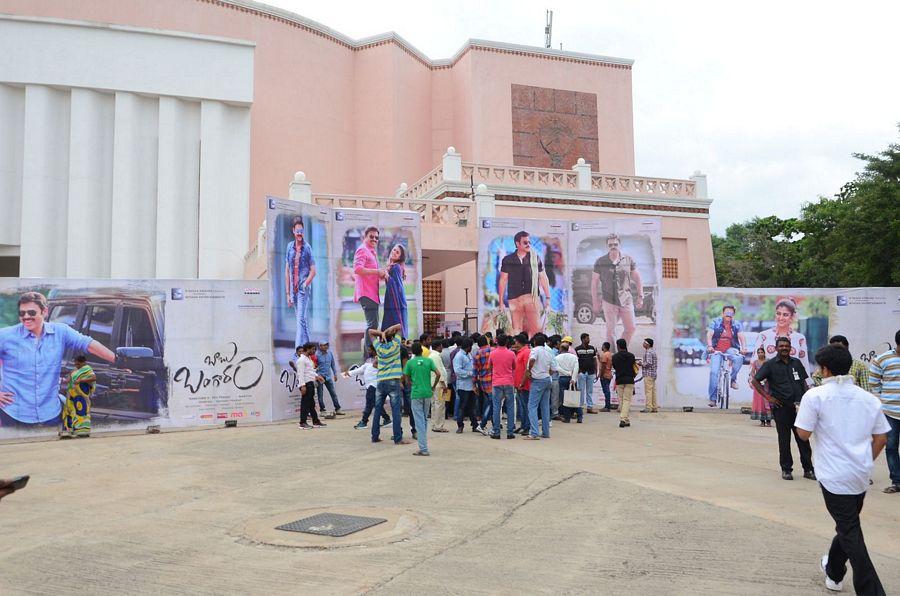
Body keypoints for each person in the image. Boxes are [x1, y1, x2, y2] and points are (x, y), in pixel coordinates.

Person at [794, 344, 890, 595]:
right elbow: (881, 438)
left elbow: (803, 434)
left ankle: (871, 590)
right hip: (860, 475)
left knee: (850, 530)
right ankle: (834, 571)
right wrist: (865, 461)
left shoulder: (814, 396)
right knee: (848, 525)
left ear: (824, 369)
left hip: (833, 477)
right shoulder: (868, 399)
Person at [0, 292, 116, 428]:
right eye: (22, 313)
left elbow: (87, 343)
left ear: (45, 312)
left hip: (50, 415)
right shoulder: (5, 336)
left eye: (31, 312)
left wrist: (118, 360)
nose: (26, 317)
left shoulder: (61, 332)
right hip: (14, 415)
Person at [751, 336, 814, 481]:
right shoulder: (770, 364)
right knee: (784, 440)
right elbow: (755, 381)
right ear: (776, 348)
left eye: (787, 346)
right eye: (781, 346)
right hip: (781, 408)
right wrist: (768, 397)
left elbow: (804, 382)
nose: (784, 348)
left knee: (803, 440)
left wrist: (806, 399)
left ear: (791, 347)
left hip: (799, 408)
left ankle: (808, 469)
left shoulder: (797, 363)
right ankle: (786, 470)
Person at [591, 233, 643, 346]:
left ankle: (621, 351)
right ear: (607, 246)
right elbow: (594, 283)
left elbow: (637, 279)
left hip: (626, 299)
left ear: (619, 244)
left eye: (615, 244)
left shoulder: (628, 260)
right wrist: (595, 301)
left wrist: (640, 296)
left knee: (631, 328)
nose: (613, 246)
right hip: (609, 300)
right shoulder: (600, 261)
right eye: (610, 245)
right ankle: (613, 358)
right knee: (611, 331)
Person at [497, 231, 551, 336]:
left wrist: (548, 299)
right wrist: (500, 302)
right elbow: (503, 280)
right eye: (525, 242)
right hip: (514, 299)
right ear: (517, 244)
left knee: (535, 328)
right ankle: (520, 350)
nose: (528, 245)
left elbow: (543, 277)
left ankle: (533, 350)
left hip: (531, 297)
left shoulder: (535, 258)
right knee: (517, 329)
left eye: (529, 242)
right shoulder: (508, 259)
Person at [869, 329, 900, 494]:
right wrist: (884, 399)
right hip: (891, 412)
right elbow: (874, 382)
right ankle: (897, 481)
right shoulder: (883, 359)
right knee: (891, 446)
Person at [370, 324, 409, 445]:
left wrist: (381, 334)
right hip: (394, 380)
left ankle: (375, 436)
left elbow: (370, 332)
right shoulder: (396, 345)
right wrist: (386, 332)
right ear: (394, 337)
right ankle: (398, 438)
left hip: (381, 381)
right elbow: (399, 326)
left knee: (377, 410)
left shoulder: (379, 348)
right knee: (396, 411)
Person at [284, 217, 317, 348]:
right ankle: (310, 351)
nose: (299, 233)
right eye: (297, 231)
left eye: (302, 231)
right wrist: (288, 293)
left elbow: (313, 271)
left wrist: (305, 284)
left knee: (299, 321)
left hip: (303, 289)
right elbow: (287, 270)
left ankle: (296, 353)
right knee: (302, 321)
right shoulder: (289, 247)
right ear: (293, 231)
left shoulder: (307, 248)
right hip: (293, 290)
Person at [754, 298, 811, 374]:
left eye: (785, 315)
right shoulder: (763, 336)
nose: (781, 318)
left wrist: (809, 384)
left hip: (792, 383)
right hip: (768, 383)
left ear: (792, 316)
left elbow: (804, 365)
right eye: (778, 313)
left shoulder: (800, 338)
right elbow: (754, 361)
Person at [704, 305, 746, 407]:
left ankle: (732, 379)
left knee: (739, 358)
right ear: (723, 314)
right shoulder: (715, 322)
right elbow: (709, 334)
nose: (728, 315)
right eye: (726, 313)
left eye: (731, 314)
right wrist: (710, 346)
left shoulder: (736, 324)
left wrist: (744, 348)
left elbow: (741, 336)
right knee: (714, 372)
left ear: (733, 315)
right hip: (715, 349)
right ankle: (713, 399)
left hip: (730, 349)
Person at [403, 342, 440, 456]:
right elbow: (438, 374)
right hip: (427, 392)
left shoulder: (410, 363)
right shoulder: (428, 361)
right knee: (423, 419)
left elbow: (406, 377)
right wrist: (433, 386)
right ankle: (423, 445)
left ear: (412, 352)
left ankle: (423, 448)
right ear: (421, 350)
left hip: (416, 393)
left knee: (419, 420)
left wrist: (410, 383)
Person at [354, 226, 385, 350]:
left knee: (374, 324)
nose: (374, 239)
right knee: (372, 325)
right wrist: (377, 272)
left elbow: (371, 273)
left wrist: (381, 274)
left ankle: (370, 352)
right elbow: (357, 269)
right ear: (365, 237)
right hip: (367, 293)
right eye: (371, 236)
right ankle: (369, 354)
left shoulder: (371, 251)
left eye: (376, 237)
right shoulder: (362, 250)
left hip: (372, 293)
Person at [347, 347, 390, 430]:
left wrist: (378, 361)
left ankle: (364, 422)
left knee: (369, 405)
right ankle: (387, 419)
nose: (368, 351)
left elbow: (379, 367)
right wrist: (348, 373)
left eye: (370, 350)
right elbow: (361, 369)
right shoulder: (369, 360)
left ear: (374, 350)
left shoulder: (380, 359)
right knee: (375, 404)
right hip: (370, 386)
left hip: (374, 386)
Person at [525, 333, 555, 440]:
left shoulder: (535, 350)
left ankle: (534, 432)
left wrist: (529, 370)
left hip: (538, 380)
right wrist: (546, 373)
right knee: (545, 407)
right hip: (547, 379)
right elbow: (553, 368)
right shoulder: (548, 352)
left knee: (532, 406)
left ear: (534, 342)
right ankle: (546, 432)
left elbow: (532, 359)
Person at [489, 335, 517, 439]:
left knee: (496, 407)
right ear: (506, 342)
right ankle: (510, 432)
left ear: (497, 342)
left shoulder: (492, 353)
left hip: (497, 382)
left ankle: (496, 432)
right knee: (510, 407)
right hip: (509, 382)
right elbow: (514, 366)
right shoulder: (511, 353)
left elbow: (490, 366)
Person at [61, 354, 95, 438]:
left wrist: (81, 380)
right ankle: (68, 430)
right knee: (68, 411)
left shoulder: (87, 369)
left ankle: (83, 431)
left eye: (78, 363)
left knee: (81, 411)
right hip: (71, 393)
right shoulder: (75, 370)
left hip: (81, 394)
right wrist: (66, 379)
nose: (76, 365)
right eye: (75, 363)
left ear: (83, 362)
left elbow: (93, 378)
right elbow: (69, 379)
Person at [381, 244, 409, 339]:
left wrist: (387, 276)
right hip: (392, 299)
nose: (394, 252)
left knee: (393, 326)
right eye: (394, 250)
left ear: (400, 257)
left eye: (397, 252)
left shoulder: (396, 267)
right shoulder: (393, 266)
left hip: (396, 301)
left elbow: (396, 287)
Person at [453, 338, 480, 434]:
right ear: (468, 347)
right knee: (463, 406)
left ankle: (475, 425)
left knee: (472, 406)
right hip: (463, 385)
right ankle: (460, 425)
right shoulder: (459, 356)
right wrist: (469, 373)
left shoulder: (469, 355)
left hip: (471, 385)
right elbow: (457, 371)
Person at [296, 343, 325, 429]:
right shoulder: (301, 360)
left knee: (311, 404)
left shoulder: (308, 359)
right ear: (307, 349)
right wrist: (302, 386)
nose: (314, 351)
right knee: (305, 404)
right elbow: (300, 374)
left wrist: (317, 376)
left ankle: (315, 421)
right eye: (313, 349)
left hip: (310, 383)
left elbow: (310, 371)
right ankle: (302, 423)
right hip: (306, 384)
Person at [555, 337, 581, 423]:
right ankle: (579, 416)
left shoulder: (557, 357)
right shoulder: (574, 357)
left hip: (562, 378)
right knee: (574, 397)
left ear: (561, 348)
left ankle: (567, 418)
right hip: (572, 379)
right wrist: (573, 378)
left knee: (565, 399)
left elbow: (557, 368)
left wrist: (566, 373)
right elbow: (576, 368)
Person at [612, 339, 636, 428]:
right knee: (627, 400)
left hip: (619, 380)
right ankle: (624, 419)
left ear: (618, 346)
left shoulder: (614, 357)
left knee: (621, 400)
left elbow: (614, 367)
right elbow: (634, 367)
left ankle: (625, 419)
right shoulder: (631, 356)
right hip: (629, 380)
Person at [315, 341, 343, 417]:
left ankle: (338, 409)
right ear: (320, 346)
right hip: (320, 377)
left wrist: (335, 374)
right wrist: (317, 376)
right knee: (320, 394)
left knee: (333, 393)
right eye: (324, 345)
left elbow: (333, 364)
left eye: (327, 345)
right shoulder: (316, 355)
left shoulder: (330, 353)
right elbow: (314, 366)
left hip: (328, 377)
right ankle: (322, 410)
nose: (326, 346)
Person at [428, 340, 449, 433]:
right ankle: (438, 425)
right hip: (439, 384)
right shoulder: (436, 356)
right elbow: (439, 372)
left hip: (433, 384)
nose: (442, 348)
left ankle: (434, 424)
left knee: (434, 404)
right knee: (440, 405)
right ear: (438, 346)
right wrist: (444, 384)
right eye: (441, 346)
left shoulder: (431, 355)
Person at [473, 335, 493, 434]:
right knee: (492, 403)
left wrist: (474, 384)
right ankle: (482, 424)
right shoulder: (492, 350)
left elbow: (475, 370)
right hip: (492, 380)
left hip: (483, 381)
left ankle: (494, 424)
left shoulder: (477, 353)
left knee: (490, 402)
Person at [575, 333, 600, 414]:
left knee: (590, 391)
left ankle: (589, 407)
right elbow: (576, 361)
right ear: (582, 339)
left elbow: (595, 360)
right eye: (587, 338)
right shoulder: (577, 349)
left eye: (588, 338)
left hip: (591, 372)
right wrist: (578, 372)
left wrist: (596, 372)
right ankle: (580, 408)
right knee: (581, 390)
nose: (588, 340)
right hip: (582, 372)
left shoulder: (592, 348)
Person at [513, 333, 532, 435]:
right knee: (522, 406)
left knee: (525, 406)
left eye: (516, 341)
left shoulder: (526, 352)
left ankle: (527, 426)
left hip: (524, 384)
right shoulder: (520, 352)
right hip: (519, 383)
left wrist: (522, 382)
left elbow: (527, 369)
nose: (514, 343)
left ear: (519, 342)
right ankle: (523, 425)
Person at [748, 347, 772, 427]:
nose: (760, 354)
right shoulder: (755, 362)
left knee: (767, 402)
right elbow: (752, 372)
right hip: (758, 385)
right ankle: (762, 421)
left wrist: (765, 379)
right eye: (758, 352)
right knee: (759, 402)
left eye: (762, 352)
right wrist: (756, 379)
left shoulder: (768, 362)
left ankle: (768, 421)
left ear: (764, 353)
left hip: (767, 384)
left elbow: (771, 372)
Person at [639, 338, 658, 413]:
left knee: (648, 391)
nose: (643, 344)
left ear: (648, 344)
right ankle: (654, 407)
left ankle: (648, 407)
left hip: (648, 374)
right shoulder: (652, 351)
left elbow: (649, 363)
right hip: (653, 374)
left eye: (644, 343)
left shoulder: (648, 352)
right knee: (653, 391)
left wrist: (641, 364)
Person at [598, 341, 613, 412]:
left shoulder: (605, 355)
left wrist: (601, 375)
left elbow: (603, 366)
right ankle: (607, 406)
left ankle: (607, 406)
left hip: (605, 375)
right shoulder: (609, 354)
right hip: (609, 374)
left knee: (606, 391)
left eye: (602, 345)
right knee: (606, 390)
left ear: (604, 346)